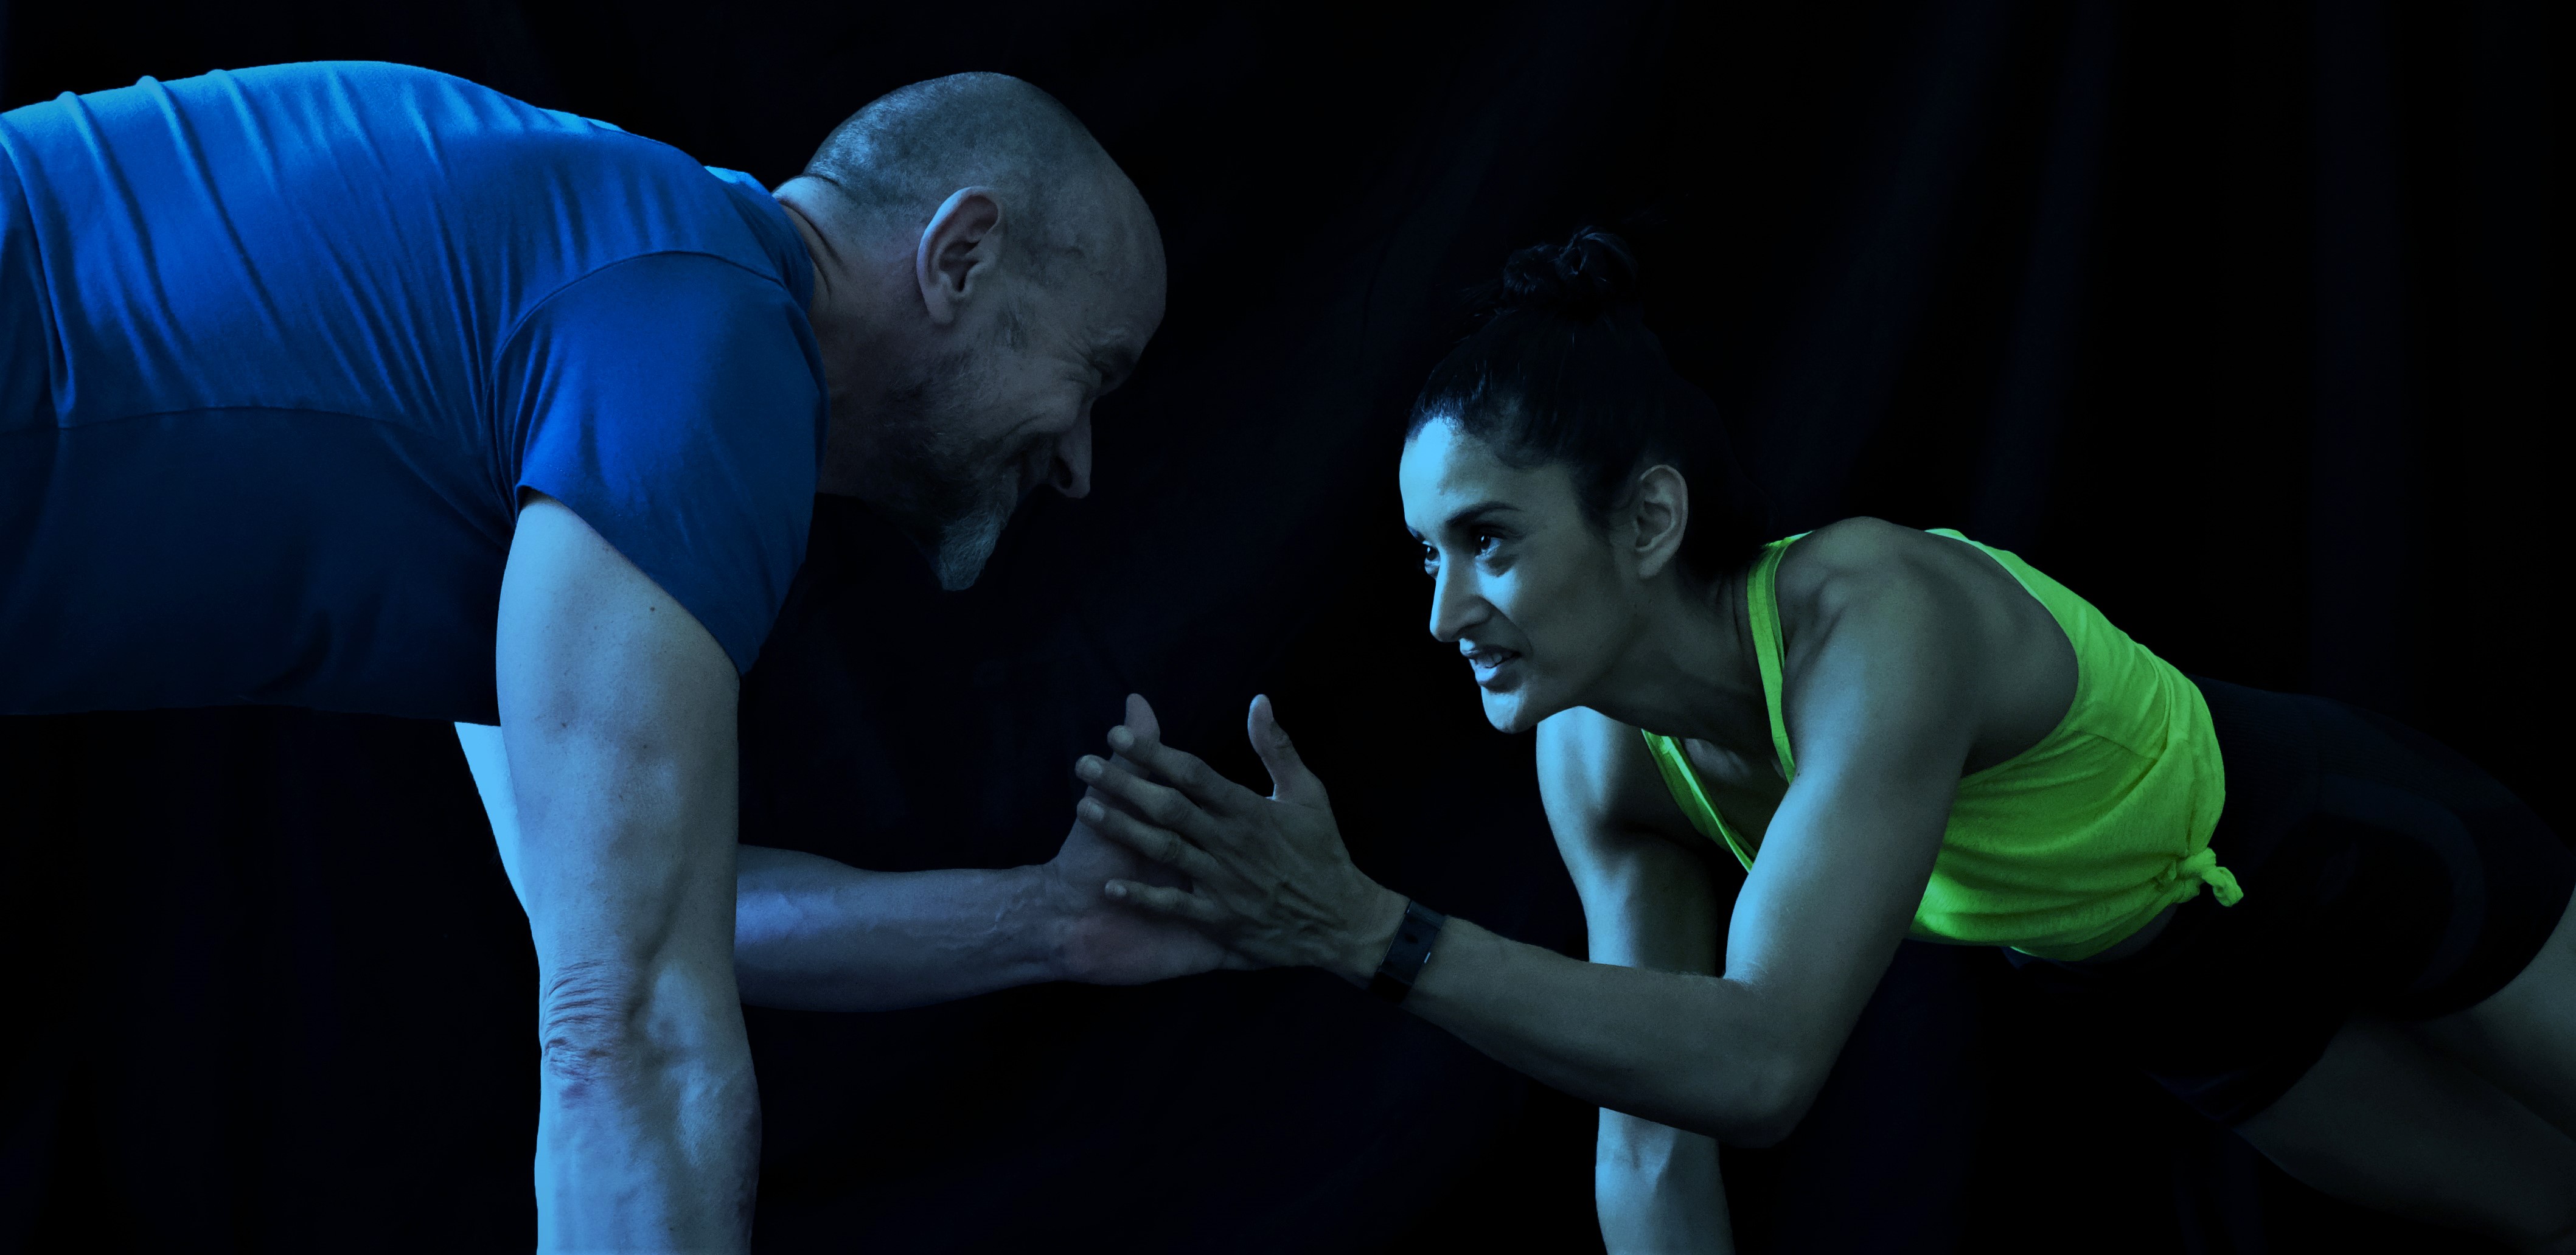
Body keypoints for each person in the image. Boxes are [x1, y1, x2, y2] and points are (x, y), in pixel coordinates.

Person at [1072, 230, 2576, 1252]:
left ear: (1645, 519)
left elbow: (1760, 1059)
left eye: (1488, 541)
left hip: (2357, 854)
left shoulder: (1873, 615)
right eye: (1425, 556)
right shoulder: (1596, 758)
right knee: (2545, 1214)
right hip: (2176, 996)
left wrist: (1367, 933)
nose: (1443, 611)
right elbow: (1653, 1140)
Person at [0, 61, 1194, 1250]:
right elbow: (634, 1034)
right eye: (1094, 375)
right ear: (962, 255)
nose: (1081, 463)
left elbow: (644, 916)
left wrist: (1051, 922)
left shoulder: (625, 306)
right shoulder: (701, 335)